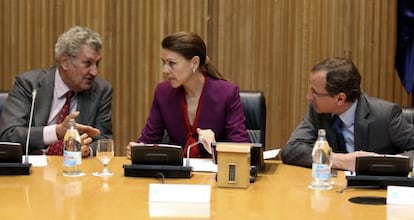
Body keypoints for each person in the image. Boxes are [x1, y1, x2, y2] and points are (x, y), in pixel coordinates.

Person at [126, 32, 249, 159]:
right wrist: (137, 149)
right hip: (177, 175)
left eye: (171, 63)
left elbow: (242, 149)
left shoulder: (227, 93)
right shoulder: (163, 93)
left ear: (195, 63)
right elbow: (149, 140)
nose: (165, 70)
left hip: (216, 175)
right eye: (164, 62)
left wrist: (215, 147)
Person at [281, 57, 414, 171]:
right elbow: (291, 150)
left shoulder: (385, 115)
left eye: (315, 93)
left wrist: (381, 162)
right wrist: (339, 160)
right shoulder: (317, 111)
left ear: (340, 98)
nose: (309, 96)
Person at [0, 26, 113, 157]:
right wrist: (57, 132)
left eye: (97, 64)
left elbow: (104, 139)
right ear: (65, 61)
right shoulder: (29, 84)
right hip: (33, 170)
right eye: (87, 63)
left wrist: (87, 150)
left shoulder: (101, 90)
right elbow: (8, 135)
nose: (94, 72)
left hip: (75, 171)